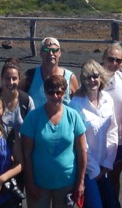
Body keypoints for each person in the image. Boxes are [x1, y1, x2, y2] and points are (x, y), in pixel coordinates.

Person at [20, 75, 87, 208]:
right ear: (45, 92)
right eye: (51, 92)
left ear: (65, 92)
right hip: (39, 184)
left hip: (67, 183)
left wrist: (80, 182)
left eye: (59, 92)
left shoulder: (73, 116)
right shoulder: (33, 117)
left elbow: (81, 151)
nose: (55, 96)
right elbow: (26, 154)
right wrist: (30, 183)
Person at [70, 60, 120, 208]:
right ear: (82, 80)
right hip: (86, 170)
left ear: (101, 77)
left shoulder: (107, 99)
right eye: (88, 77)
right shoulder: (76, 105)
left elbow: (113, 130)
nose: (92, 80)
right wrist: (95, 170)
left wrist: (107, 163)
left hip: (104, 166)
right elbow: (80, 143)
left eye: (95, 76)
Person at [101, 43, 122, 199]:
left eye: (118, 60)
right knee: (96, 178)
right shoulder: (94, 78)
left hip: (119, 140)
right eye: (110, 59)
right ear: (103, 58)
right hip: (98, 140)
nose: (114, 63)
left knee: (114, 178)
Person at [23, 37, 79, 108]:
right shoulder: (30, 75)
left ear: (60, 53)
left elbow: (77, 104)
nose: (50, 53)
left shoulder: (70, 78)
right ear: (41, 53)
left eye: (55, 50)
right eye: (46, 50)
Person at [0, 58, 35, 131]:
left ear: (19, 79)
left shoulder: (26, 101)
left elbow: (33, 127)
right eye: (7, 78)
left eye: (14, 78)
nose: (11, 82)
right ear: (1, 79)